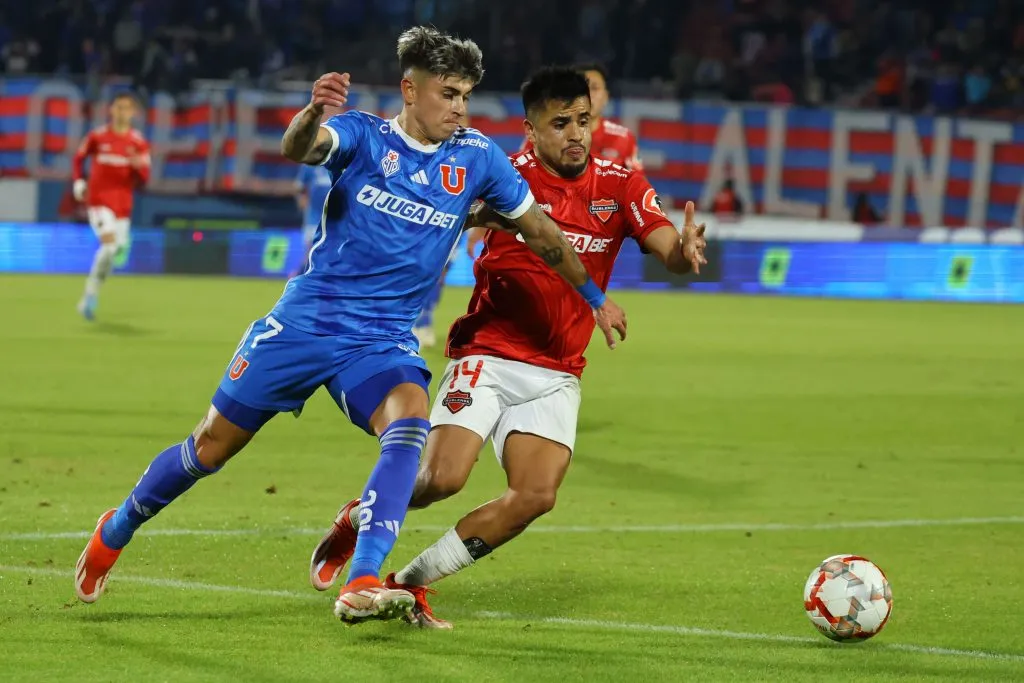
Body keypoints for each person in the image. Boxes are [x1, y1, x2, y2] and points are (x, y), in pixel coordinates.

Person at [73, 28, 627, 625]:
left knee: (411, 419)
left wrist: (594, 296)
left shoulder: (477, 158)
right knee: (209, 447)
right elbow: (301, 149)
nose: (459, 107)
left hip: (380, 340)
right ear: (409, 90)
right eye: (448, 93)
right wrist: (312, 112)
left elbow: (541, 230)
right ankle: (119, 525)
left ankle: (363, 575)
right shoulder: (363, 136)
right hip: (304, 325)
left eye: (466, 94)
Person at [309, 66, 707, 628]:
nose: (576, 134)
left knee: (535, 495)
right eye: (560, 123)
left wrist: (681, 252)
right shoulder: (500, 174)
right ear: (531, 130)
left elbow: (663, 243)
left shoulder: (620, 183)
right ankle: (361, 516)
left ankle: (405, 583)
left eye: (584, 121)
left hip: (558, 367)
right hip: (489, 353)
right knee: (443, 479)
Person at [71, 92, 150, 321]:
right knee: (108, 246)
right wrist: (79, 181)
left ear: (133, 113)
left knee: (116, 249)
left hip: (123, 206)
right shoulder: (97, 136)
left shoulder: (138, 143)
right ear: (111, 110)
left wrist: (137, 167)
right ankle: (89, 296)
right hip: (98, 201)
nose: (121, 112)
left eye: (126, 108)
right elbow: (78, 158)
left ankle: (92, 292)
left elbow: (144, 179)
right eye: (118, 107)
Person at [293, 163, 334, 277]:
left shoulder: (338, 162)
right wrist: (302, 201)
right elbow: (299, 187)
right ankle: (302, 274)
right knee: (310, 248)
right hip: (314, 215)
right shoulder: (310, 164)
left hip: (334, 216)